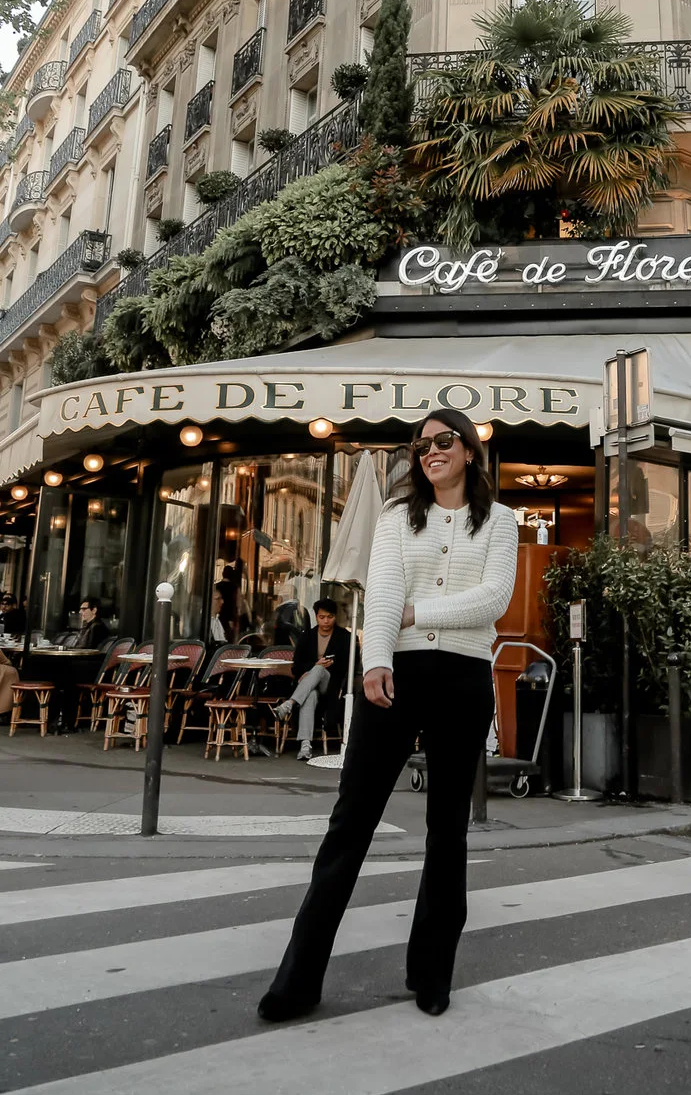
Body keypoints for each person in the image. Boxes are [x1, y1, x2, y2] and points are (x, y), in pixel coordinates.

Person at [258, 408, 517, 1026]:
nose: (430, 452)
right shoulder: (399, 517)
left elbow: (495, 600)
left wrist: (416, 612)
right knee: (350, 824)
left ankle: (431, 973)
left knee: (447, 829)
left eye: (443, 441)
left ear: (470, 451)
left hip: (462, 678)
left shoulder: (501, 521)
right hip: (394, 676)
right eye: (421, 444)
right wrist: (375, 661)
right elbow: (382, 595)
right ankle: (298, 979)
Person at [274, 598, 351, 762]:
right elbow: (296, 666)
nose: (326, 621)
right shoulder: (307, 636)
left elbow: (348, 665)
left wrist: (323, 666)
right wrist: (313, 666)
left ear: (335, 617)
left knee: (319, 669)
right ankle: (305, 746)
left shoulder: (344, 637)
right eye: (322, 617)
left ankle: (289, 704)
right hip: (309, 687)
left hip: (330, 684)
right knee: (310, 696)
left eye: (329, 617)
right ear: (316, 617)